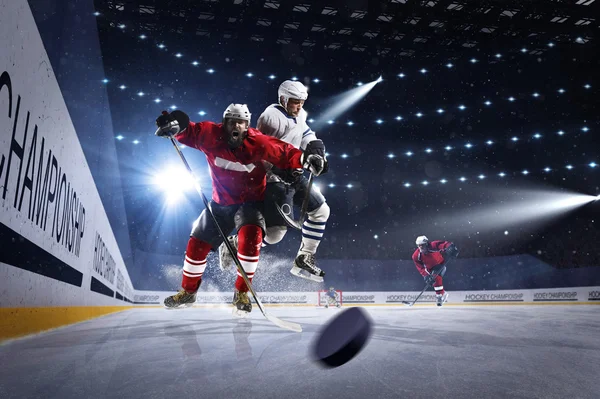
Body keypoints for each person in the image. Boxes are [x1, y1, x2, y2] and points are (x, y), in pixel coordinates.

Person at [154, 104, 326, 315]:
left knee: (250, 240)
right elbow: (188, 130)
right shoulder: (210, 134)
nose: (236, 126)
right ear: (224, 123)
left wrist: (306, 159)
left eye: (241, 122)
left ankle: (241, 293)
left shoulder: (258, 142)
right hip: (220, 204)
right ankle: (188, 292)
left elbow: (285, 152)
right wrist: (174, 123)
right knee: (196, 244)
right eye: (232, 121)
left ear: (247, 125)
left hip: (249, 205)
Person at [219, 80, 330, 283]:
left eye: (302, 102)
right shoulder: (271, 117)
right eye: (295, 101)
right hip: (275, 179)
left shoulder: (300, 114)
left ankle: (304, 257)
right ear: (283, 99)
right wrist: (277, 167)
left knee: (322, 210)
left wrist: (316, 149)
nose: (299, 106)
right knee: (275, 234)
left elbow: (305, 133)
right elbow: (260, 147)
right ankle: (235, 243)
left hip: (294, 175)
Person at [412, 235, 459, 307]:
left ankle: (439, 296)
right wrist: (425, 275)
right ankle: (443, 293)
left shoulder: (433, 245)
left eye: (423, 245)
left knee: (435, 277)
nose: (421, 247)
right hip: (429, 269)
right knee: (433, 280)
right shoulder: (416, 255)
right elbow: (420, 267)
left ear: (426, 244)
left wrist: (450, 247)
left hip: (440, 263)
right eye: (419, 246)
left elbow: (444, 244)